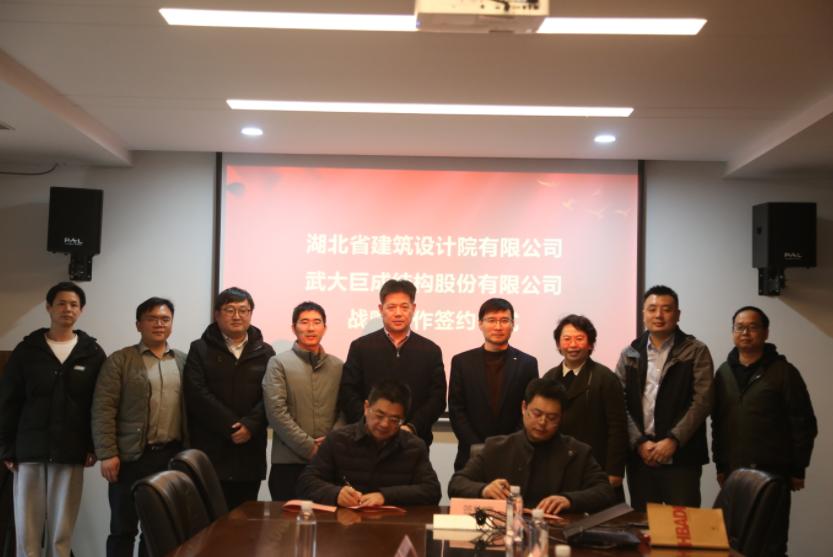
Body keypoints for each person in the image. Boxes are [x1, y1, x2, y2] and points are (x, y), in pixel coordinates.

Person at [0, 282, 106, 557]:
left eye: (73, 304)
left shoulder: (93, 353)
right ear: (49, 308)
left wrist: (93, 445)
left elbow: (98, 405)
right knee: (27, 528)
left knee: (62, 529)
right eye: (61, 303)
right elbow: (8, 402)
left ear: (81, 310)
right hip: (28, 450)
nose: (67, 309)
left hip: (71, 450)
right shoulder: (27, 350)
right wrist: (6, 447)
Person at [712, 306, 817, 556]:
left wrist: (798, 469)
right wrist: (720, 465)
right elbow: (717, 422)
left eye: (753, 327)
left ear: (766, 332)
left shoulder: (784, 372)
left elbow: (803, 423)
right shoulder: (723, 372)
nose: (745, 333)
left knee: (771, 543)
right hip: (734, 472)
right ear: (732, 332)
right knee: (732, 541)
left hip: (774, 473)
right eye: (739, 327)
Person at [91, 297, 187, 557]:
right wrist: (107, 453)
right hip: (130, 457)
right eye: (151, 319)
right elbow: (103, 408)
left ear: (171, 324)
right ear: (138, 324)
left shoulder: (182, 361)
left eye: (165, 319)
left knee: (157, 530)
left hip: (169, 457)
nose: (159, 324)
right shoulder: (120, 360)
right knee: (123, 529)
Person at [448, 378, 614, 514]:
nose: (542, 422)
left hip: (557, 533)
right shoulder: (496, 448)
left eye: (552, 417)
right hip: (503, 532)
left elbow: (605, 491)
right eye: (537, 414)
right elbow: (457, 484)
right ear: (524, 408)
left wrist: (569, 500)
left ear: (561, 417)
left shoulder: (577, 452)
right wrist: (484, 490)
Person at [615, 285, 713, 510]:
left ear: (678, 314)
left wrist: (673, 440)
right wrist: (639, 442)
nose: (658, 315)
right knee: (643, 524)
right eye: (652, 309)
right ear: (643, 314)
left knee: (683, 524)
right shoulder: (630, 353)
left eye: (666, 309)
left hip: (682, 457)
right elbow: (619, 402)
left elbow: (703, 401)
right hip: (641, 458)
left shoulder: (695, 350)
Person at [183, 287, 275, 510]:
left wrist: (250, 425)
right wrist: (231, 425)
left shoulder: (265, 352)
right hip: (211, 448)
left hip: (249, 450)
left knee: (245, 520)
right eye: (230, 310)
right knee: (210, 519)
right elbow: (196, 393)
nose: (237, 316)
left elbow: (272, 395)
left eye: (243, 310)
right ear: (217, 314)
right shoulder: (200, 348)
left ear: (251, 314)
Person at [296, 379, 441, 507]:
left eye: (394, 420)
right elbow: (306, 482)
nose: (384, 424)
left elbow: (432, 491)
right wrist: (335, 493)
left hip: (393, 525)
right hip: (345, 524)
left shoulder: (414, 447)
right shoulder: (338, 440)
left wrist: (385, 496)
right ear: (366, 408)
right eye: (379, 415)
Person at [338, 279, 446, 448]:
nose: (398, 313)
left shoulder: (430, 350)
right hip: (367, 440)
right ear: (381, 309)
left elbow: (437, 398)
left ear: (413, 308)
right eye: (391, 307)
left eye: (404, 307)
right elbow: (348, 392)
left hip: (414, 441)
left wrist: (412, 427)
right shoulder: (361, 347)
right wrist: (372, 425)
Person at [262, 301, 343, 501]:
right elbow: (276, 412)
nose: (310, 328)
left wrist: (330, 442)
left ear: (325, 328)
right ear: (293, 327)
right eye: (304, 322)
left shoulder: (338, 366)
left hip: (330, 462)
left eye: (317, 322)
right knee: (287, 519)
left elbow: (345, 410)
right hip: (289, 463)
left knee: (330, 519)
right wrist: (310, 447)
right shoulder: (279, 363)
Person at [543, 314, 628, 500]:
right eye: (566, 339)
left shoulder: (605, 377)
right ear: (558, 344)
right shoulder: (549, 378)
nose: (573, 345)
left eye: (579, 339)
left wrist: (615, 470)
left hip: (595, 465)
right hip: (557, 465)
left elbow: (618, 427)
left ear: (590, 344)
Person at [448, 298, 538, 471]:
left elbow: (529, 409)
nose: (498, 326)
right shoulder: (462, 362)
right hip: (471, 455)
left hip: (514, 454)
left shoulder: (527, 363)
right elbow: (456, 409)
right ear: (480, 324)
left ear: (513, 324)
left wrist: (510, 445)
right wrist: (477, 446)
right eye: (491, 320)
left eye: (504, 320)